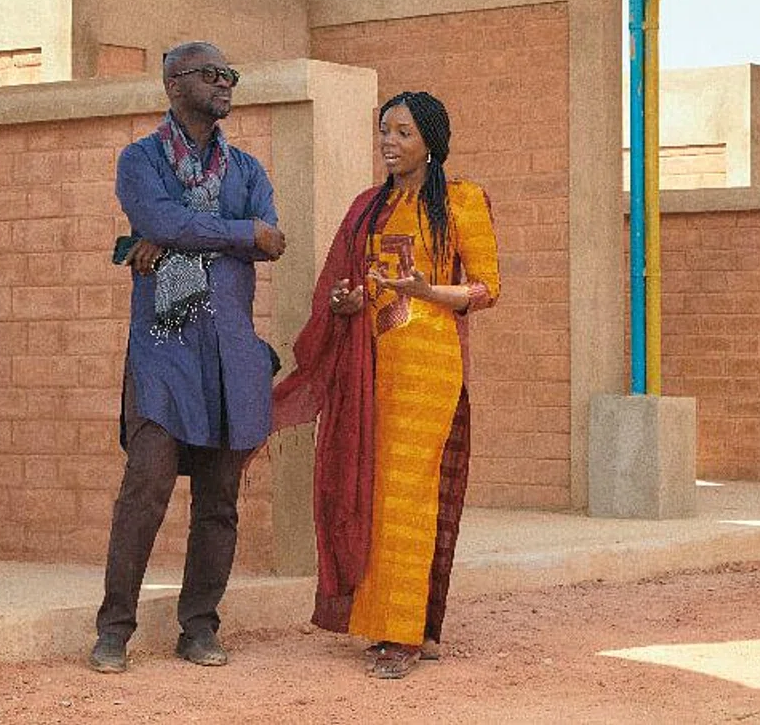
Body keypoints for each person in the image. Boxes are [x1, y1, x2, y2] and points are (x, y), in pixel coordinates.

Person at [273, 90, 500, 680]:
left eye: (402, 133)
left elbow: (485, 289)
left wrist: (428, 292)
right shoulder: (367, 207)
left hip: (427, 368)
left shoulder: (461, 201)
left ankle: (406, 634)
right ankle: (393, 625)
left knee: (407, 494)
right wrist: (347, 302)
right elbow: (351, 287)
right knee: (373, 492)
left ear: (430, 139)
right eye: (383, 132)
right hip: (370, 367)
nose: (389, 144)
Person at [90, 42, 287, 674]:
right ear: (175, 85)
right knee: (144, 488)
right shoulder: (140, 160)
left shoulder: (247, 169)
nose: (226, 82)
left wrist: (176, 236)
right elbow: (160, 216)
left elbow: (273, 239)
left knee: (219, 502)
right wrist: (230, 234)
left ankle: (199, 626)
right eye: (212, 74)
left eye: (232, 73)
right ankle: (114, 629)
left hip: (231, 355)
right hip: (164, 355)